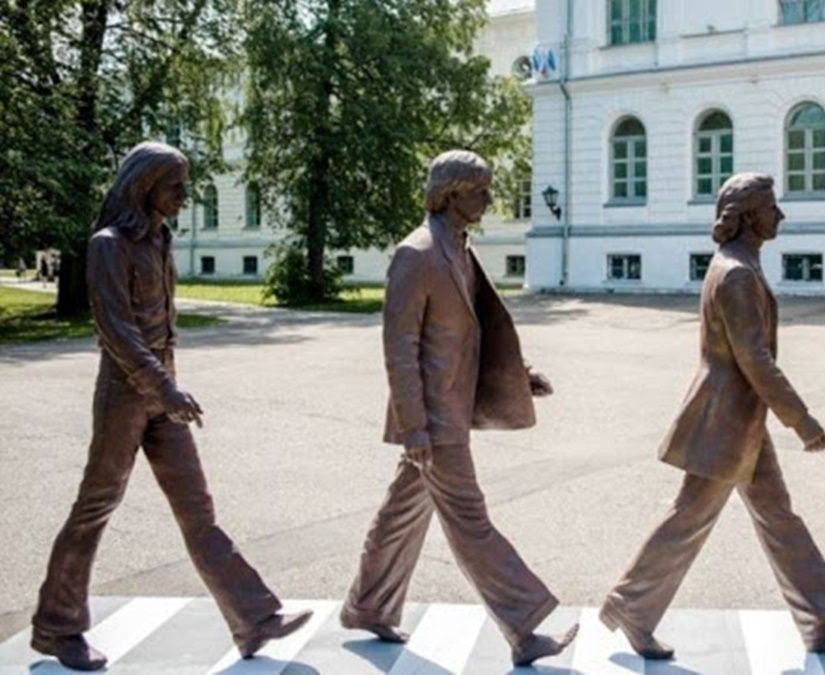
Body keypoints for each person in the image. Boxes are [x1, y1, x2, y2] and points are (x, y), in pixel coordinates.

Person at [31, 142, 310, 671]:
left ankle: (253, 620)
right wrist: (165, 389)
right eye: (176, 186)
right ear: (145, 186)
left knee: (197, 511)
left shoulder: (158, 239)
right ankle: (57, 627)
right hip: (124, 396)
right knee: (95, 507)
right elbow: (117, 331)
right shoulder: (108, 245)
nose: (185, 195)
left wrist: (168, 391)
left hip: (161, 396)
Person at [599, 173, 825, 657]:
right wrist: (802, 419)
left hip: (742, 421)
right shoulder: (735, 273)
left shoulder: (739, 265)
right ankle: (630, 605)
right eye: (772, 207)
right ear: (750, 216)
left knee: (778, 515)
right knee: (689, 518)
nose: (781, 215)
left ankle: (820, 616)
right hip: (724, 423)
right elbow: (754, 359)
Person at [342, 150, 577, 667]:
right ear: (451, 194)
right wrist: (415, 428)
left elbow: (475, 327)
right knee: (471, 522)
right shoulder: (417, 254)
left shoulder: (457, 248)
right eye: (480, 191)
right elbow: (398, 350)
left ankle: (367, 606)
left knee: (401, 511)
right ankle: (524, 627)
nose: (488, 199)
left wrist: (519, 374)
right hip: (433, 420)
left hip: (447, 411)